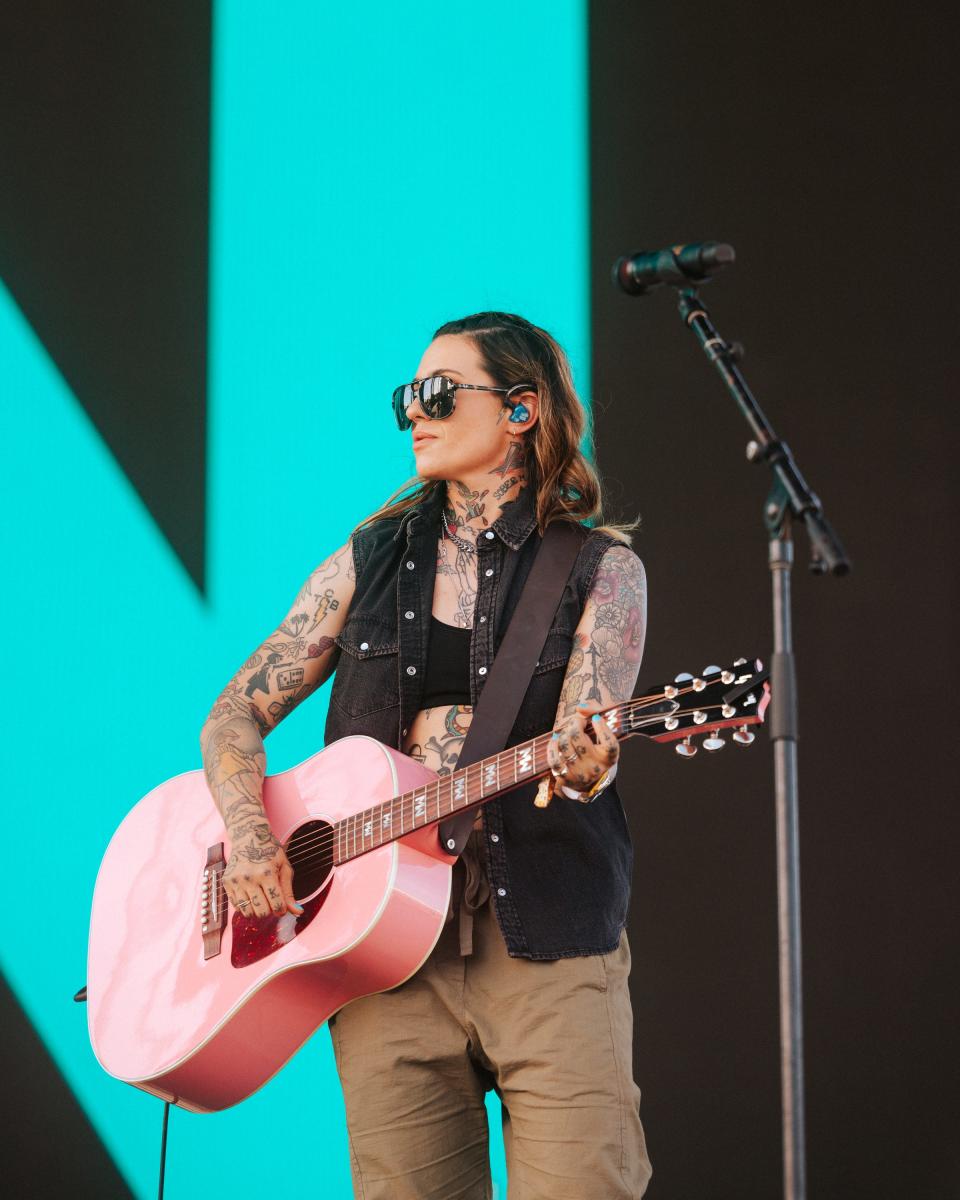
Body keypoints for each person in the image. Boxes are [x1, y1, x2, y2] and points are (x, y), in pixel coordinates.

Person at [199, 311, 652, 1198]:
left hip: (547, 946)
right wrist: (252, 840)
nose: (416, 412)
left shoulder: (603, 571)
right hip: (381, 959)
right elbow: (232, 718)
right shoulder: (364, 562)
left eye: (440, 393)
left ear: (521, 410)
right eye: (409, 395)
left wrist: (589, 762)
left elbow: (588, 737)